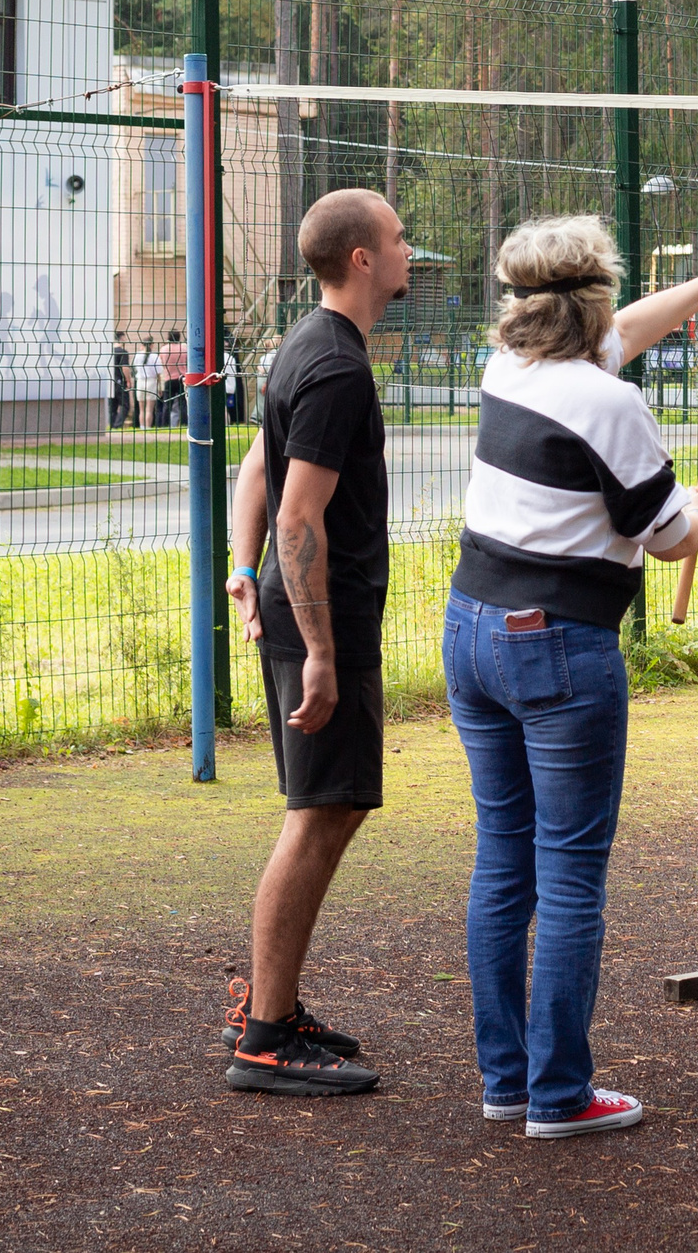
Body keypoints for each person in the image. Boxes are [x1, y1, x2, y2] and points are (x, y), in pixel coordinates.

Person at [445, 216, 698, 1138]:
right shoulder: (609, 405)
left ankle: (509, 1082)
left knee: (505, 860)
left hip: (470, 630)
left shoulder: (511, 366)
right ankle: (560, 1095)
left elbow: (621, 336)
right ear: (589, 304)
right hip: (557, 647)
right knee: (572, 874)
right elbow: (665, 542)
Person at [220, 189, 412, 1095]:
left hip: (303, 610)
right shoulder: (334, 368)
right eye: (400, 236)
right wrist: (323, 652)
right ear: (364, 257)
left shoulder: (305, 344)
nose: (410, 248)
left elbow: (260, 465)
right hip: (320, 619)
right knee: (317, 814)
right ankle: (263, 1032)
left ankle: (276, 1002)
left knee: (331, 805)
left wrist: (238, 566)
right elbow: (299, 512)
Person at [157, 331, 187, 427]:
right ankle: (184, 423)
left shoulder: (164, 349)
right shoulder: (184, 348)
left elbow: (161, 363)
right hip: (182, 378)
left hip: (168, 378)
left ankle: (165, 424)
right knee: (183, 403)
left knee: (167, 403)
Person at [110, 334, 135, 430]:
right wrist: (128, 380)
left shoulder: (110, 352)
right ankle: (117, 425)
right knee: (125, 405)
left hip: (111, 381)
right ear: (122, 338)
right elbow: (125, 367)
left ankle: (112, 425)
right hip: (120, 381)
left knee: (113, 406)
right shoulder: (123, 352)